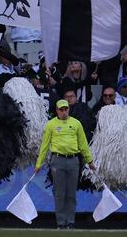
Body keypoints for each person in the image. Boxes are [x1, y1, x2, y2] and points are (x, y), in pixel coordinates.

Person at [34, 99, 96, 230]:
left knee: (71, 193)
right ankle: (61, 223)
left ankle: (71, 222)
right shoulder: (50, 124)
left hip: (74, 160)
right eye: (61, 109)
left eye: (66, 109)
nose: (63, 111)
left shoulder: (76, 123)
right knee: (59, 193)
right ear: (56, 110)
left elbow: (83, 144)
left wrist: (90, 161)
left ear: (69, 109)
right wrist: (39, 164)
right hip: (58, 160)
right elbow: (44, 146)